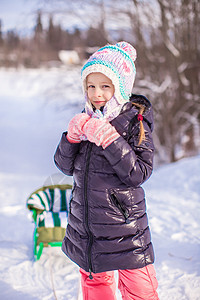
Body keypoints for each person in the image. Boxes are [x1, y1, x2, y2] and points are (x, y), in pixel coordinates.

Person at [54, 41, 159, 300]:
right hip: (88, 226)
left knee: (139, 289)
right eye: (91, 86)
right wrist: (71, 138)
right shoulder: (86, 118)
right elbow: (64, 167)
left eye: (105, 86)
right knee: (95, 286)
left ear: (120, 87)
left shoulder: (135, 121)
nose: (97, 93)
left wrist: (109, 139)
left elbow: (138, 173)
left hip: (125, 226)